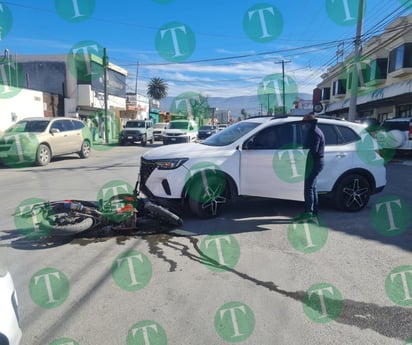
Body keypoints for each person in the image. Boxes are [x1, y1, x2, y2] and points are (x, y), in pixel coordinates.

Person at [301, 112, 325, 218]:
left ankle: (308, 212)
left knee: (309, 188)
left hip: (314, 162)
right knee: (313, 187)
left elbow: (313, 151)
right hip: (317, 161)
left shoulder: (314, 133)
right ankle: (314, 211)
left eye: (305, 122)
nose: (303, 124)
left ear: (310, 122)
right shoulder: (315, 130)